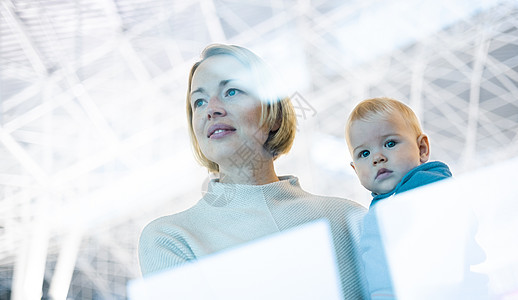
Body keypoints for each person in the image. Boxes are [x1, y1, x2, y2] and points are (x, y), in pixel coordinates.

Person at [138, 43, 368, 299]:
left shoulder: (349, 218)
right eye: (199, 102)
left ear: (274, 115)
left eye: (231, 91)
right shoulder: (171, 239)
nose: (211, 109)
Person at [345, 97, 453, 299]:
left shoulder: (429, 186)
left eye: (390, 143)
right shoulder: (379, 207)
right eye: (364, 153)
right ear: (355, 169)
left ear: (422, 148)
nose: (377, 158)